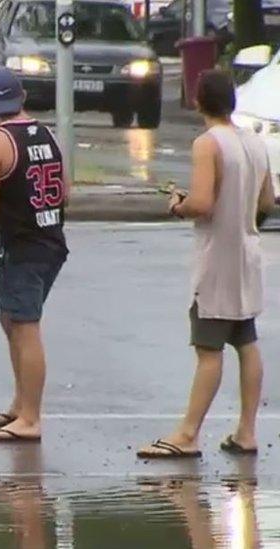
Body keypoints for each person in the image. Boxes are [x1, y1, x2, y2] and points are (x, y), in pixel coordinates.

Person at [138, 70, 274, 459]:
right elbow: (266, 202)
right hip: (247, 254)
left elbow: (201, 203)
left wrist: (178, 205)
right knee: (245, 341)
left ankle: (187, 433)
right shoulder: (254, 142)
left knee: (208, 348)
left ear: (199, 102)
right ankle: (246, 431)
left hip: (217, 258)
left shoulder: (208, 144)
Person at [0, 67, 68, 442]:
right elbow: (65, 191)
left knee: (26, 327)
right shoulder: (48, 136)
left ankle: (30, 417)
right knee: (10, 317)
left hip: (25, 244)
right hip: (50, 240)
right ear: (22, 97)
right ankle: (20, 402)